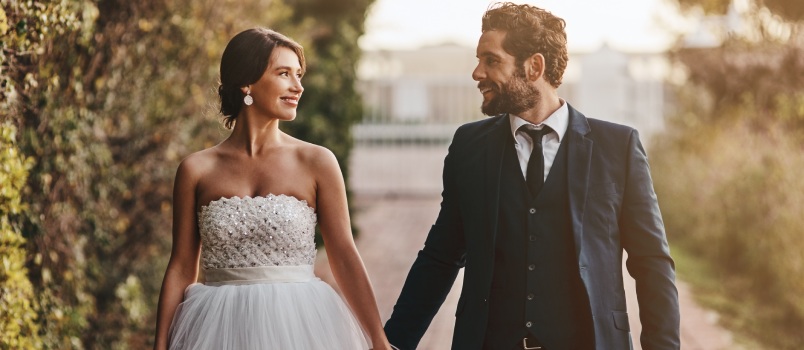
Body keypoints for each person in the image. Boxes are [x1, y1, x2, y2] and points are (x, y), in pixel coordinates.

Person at [384, 3, 680, 350]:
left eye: (491, 60)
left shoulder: (618, 146)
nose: (477, 73)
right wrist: (393, 342)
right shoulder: (469, 146)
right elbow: (441, 255)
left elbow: (651, 262)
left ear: (534, 66)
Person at [153, 28, 392, 350]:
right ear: (246, 82)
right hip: (216, 328)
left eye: (299, 74)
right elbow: (181, 266)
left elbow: (345, 256)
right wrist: (161, 343)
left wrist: (378, 340)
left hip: (301, 325)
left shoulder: (316, 161)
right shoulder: (197, 169)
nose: (298, 86)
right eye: (284, 74)